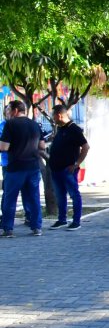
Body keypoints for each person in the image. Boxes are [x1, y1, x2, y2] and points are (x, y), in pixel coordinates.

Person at [0, 100, 45, 238]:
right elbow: (42, 146)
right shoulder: (34, 124)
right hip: (33, 167)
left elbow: (4, 147)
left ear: (14, 110)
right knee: (34, 197)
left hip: (15, 167)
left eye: (8, 110)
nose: (7, 113)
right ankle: (36, 227)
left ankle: (8, 229)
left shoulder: (10, 124)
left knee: (10, 198)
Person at [48, 104, 90, 231]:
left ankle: (76, 221)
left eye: (53, 116)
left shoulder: (74, 129)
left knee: (74, 194)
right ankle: (62, 219)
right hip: (56, 169)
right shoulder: (60, 129)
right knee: (60, 195)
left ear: (59, 115)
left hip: (68, 169)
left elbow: (86, 147)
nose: (52, 119)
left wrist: (77, 163)